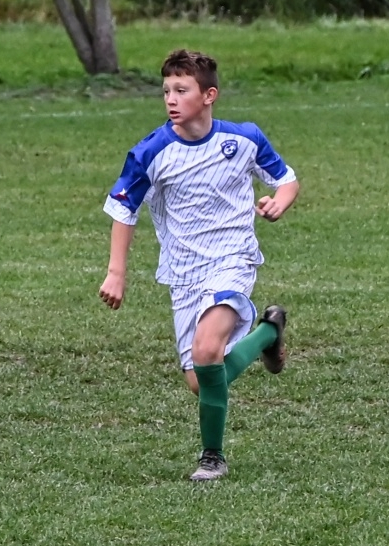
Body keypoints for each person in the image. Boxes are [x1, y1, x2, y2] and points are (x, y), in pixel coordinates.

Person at [100, 49, 299, 480]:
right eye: (166, 91)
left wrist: (279, 203)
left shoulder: (243, 139)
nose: (171, 99)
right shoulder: (152, 151)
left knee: (208, 350)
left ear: (209, 95)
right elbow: (122, 209)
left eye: (181, 90)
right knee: (201, 379)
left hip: (233, 259)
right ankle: (268, 333)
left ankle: (212, 457)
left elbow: (286, 179)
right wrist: (116, 272)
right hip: (184, 273)